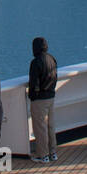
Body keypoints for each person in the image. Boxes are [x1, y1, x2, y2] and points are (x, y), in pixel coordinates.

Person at [28, 36, 58, 164]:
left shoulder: (36, 62)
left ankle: (43, 155)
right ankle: (53, 152)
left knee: (40, 128)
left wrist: (32, 96)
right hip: (51, 96)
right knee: (50, 126)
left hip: (40, 99)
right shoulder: (52, 59)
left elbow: (33, 82)